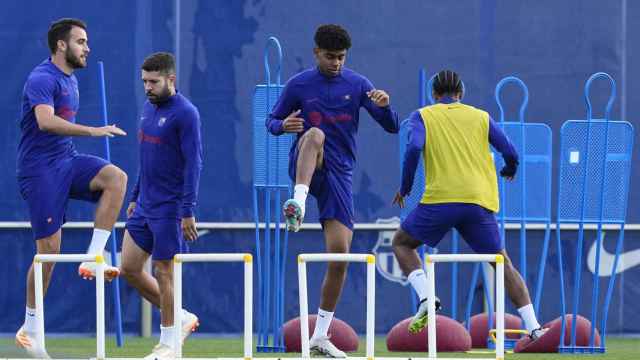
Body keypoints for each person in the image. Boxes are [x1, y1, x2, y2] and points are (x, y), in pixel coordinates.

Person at [267, 24, 399, 357]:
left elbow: (392, 126)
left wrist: (384, 106)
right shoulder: (299, 84)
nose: (336, 63)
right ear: (316, 53)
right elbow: (271, 122)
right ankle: (297, 202)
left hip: (339, 173)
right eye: (330, 57)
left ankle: (319, 337)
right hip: (306, 161)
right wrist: (283, 126)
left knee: (339, 256)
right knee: (315, 135)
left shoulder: (357, 84)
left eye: (341, 57)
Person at [392, 70, 547, 340]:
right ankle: (534, 327)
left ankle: (427, 297)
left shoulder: (422, 115)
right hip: (478, 201)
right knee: (502, 262)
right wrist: (510, 168)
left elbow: (414, 148)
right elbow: (510, 151)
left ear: (434, 95)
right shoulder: (481, 116)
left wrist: (405, 187)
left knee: (402, 243)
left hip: (440, 200)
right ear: (461, 94)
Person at [15, 18, 128, 358]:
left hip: (67, 161)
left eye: (87, 41)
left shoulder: (71, 79)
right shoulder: (41, 78)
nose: (87, 47)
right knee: (48, 252)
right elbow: (45, 122)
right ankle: (30, 328)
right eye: (81, 41)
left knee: (116, 179)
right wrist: (93, 131)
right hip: (40, 172)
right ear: (61, 45)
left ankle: (95, 257)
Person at [118, 52, 203, 359]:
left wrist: (187, 210)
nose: (147, 87)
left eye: (153, 82)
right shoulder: (147, 108)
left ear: (171, 79)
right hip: (144, 206)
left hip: (170, 207)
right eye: (144, 81)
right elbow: (146, 158)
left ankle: (169, 343)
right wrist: (135, 195)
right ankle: (180, 317)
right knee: (128, 268)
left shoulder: (186, 113)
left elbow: (194, 164)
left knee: (163, 271)